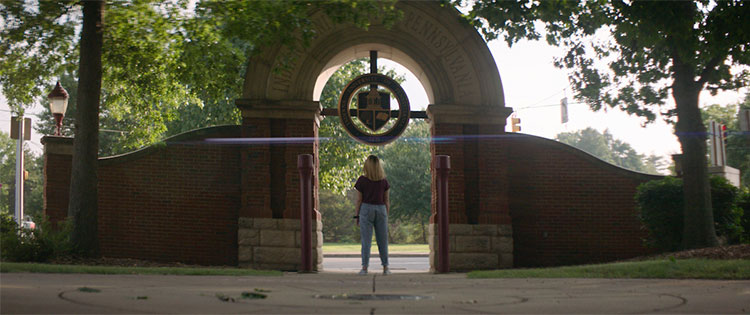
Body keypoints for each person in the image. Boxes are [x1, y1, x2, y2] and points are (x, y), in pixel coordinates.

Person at [354, 155, 391, 275]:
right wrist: (386, 215)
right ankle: (386, 267)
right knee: (383, 240)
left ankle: (364, 268)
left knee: (366, 241)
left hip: (366, 208)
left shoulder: (361, 180)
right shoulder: (384, 181)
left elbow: (359, 200)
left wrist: (357, 215)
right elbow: (386, 200)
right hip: (381, 209)